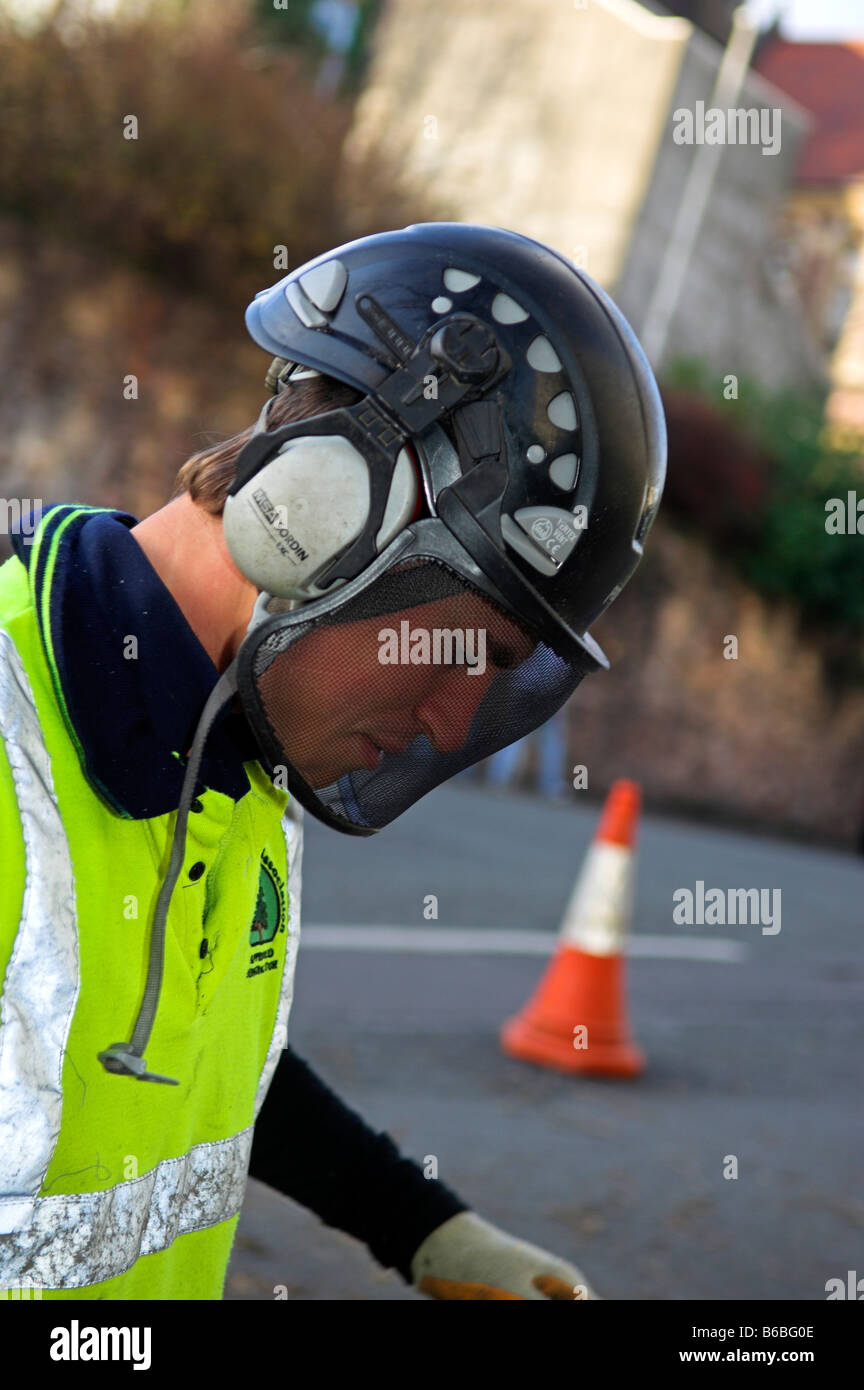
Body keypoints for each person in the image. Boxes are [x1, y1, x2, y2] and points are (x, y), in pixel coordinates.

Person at [0, 221, 665, 1300]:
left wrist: (422, 1229)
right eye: (463, 649)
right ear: (322, 515)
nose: (454, 723)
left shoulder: (243, 752)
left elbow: (190, 1067)